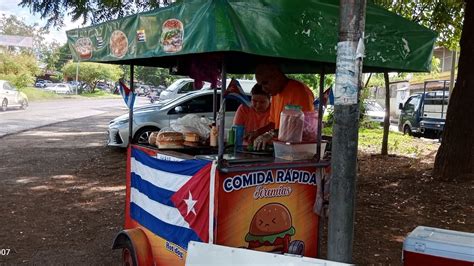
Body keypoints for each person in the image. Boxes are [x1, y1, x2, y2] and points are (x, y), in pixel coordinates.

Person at [253, 64, 315, 150]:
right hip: (280, 148)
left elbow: (301, 128)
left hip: (296, 150)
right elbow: (273, 124)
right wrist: (257, 133)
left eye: (265, 83)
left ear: (277, 76)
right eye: (261, 85)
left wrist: (270, 134)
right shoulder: (275, 94)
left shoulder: (299, 91)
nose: (263, 89)